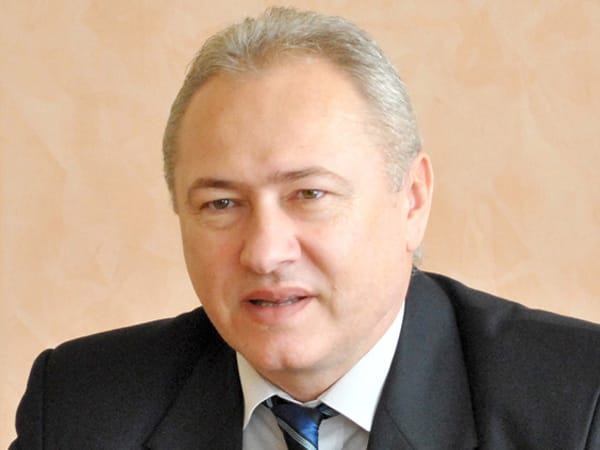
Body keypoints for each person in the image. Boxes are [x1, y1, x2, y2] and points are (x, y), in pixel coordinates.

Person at [11, 7, 600, 450]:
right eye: (221, 203)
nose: (265, 253)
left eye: (310, 195)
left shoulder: (579, 406)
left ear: (412, 199)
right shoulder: (78, 409)